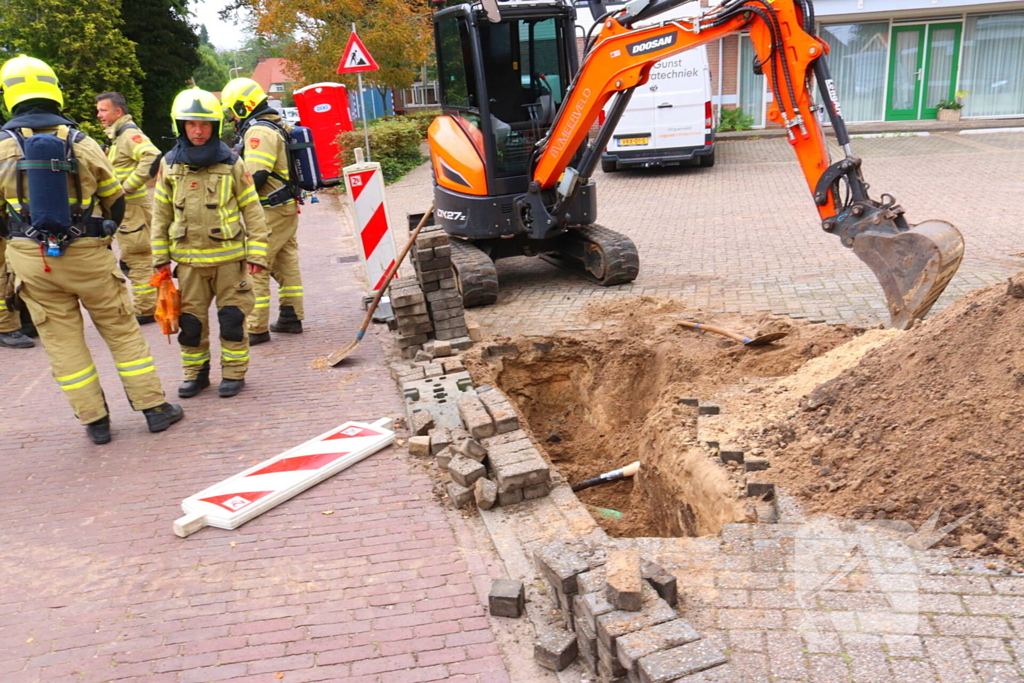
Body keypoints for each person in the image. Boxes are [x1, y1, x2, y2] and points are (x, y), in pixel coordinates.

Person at [0, 55, 183, 444]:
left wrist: (20, 241)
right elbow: (115, 200)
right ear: (56, 94)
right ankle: (154, 409)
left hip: (32, 262)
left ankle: (95, 422)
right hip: (87, 254)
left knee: (62, 344)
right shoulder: (82, 144)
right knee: (121, 330)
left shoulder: (1, 149)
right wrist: (101, 236)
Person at [151, 87, 269, 398]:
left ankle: (233, 373)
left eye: (204, 125)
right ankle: (196, 375)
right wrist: (160, 258)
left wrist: (258, 254)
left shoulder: (231, 162)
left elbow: (252, 209)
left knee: (232, 320)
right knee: (190, 325)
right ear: (181, 127)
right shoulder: (170, 165)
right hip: (188, 265)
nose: (198, 131)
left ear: (215, 127)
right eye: (191, 124)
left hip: (229, 262)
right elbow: (160, 215)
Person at [220, 78, 303, 345]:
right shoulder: (273, 126)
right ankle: (291, 316)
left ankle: (256, 328)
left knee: (256, 265)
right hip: (283, 207)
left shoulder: (258, 133)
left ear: (245, 106)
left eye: (233, 109)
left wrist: (230, 201)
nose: (232, 116)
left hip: (270, 209)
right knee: (285, 261)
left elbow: (254, 176)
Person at [96, 91, 161, 324]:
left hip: (131, 206)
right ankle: (150, 303)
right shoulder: (118, 136)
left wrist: (127, 187)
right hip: (128, 208)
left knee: (137, 257)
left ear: (118, 112)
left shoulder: (128, 134)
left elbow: (152, 157)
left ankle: (145, 309)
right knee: (135, 256)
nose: (99, 115)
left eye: (103, 110)